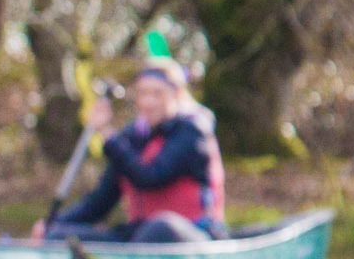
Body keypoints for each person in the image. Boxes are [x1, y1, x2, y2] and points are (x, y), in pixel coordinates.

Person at [34, 56, 227, 243]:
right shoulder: (132, 138)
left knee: (160, 228)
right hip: (139, 234)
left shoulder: (192, 131)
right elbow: (101, 201)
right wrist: (55, 224)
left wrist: (108, 135)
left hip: (191, 233)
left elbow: (150, 177)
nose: (148, 102)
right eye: (143, 93)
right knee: (57, 237)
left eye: (157, 94)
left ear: (176, 94)